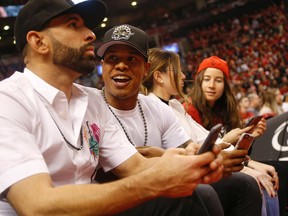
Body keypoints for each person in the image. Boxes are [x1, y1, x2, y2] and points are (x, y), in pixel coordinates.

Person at [0, 1, 224, 215]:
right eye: (73, 25)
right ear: (39, 42)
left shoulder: (92, 101)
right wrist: (153, 183)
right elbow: (37, 207)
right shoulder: (8, 101)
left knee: (187, 196)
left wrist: (185, 161)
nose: (91, 34)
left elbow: (135, 166)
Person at [96, 24, 226, 216]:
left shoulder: (157, 106)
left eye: (131, 59)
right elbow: (124, 170)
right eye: (112, 58)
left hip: (150, 182)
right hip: (111, 194)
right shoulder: (91, 105)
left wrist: (192, 153)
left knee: (240, 185)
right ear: (103, 66)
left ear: (146, 68)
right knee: (188, 195)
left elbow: (186, 147)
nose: (121, 65)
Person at [142, 47, 266, 216]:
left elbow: (201, 139)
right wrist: (240, 159)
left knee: (261, 176)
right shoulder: (162, 107)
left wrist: (239, 153)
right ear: (158, 76)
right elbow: (194, 146)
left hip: (202, 165)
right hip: (184, 173)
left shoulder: (175, 105)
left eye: (219, 80)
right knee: (246, 184)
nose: (184, 76)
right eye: (178, 71)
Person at [184, 55, 280, 216]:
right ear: (199, 81)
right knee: (254, 183)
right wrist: (250, 169)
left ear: (225, 85)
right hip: (207, 171)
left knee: (278, 171)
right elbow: (201, 156)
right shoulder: (189, 110)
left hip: (229, 165)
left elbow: (236, 152)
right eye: (207, 79)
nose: (211, 85)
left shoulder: (227, 110)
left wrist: (250, 137)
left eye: (218, 80)